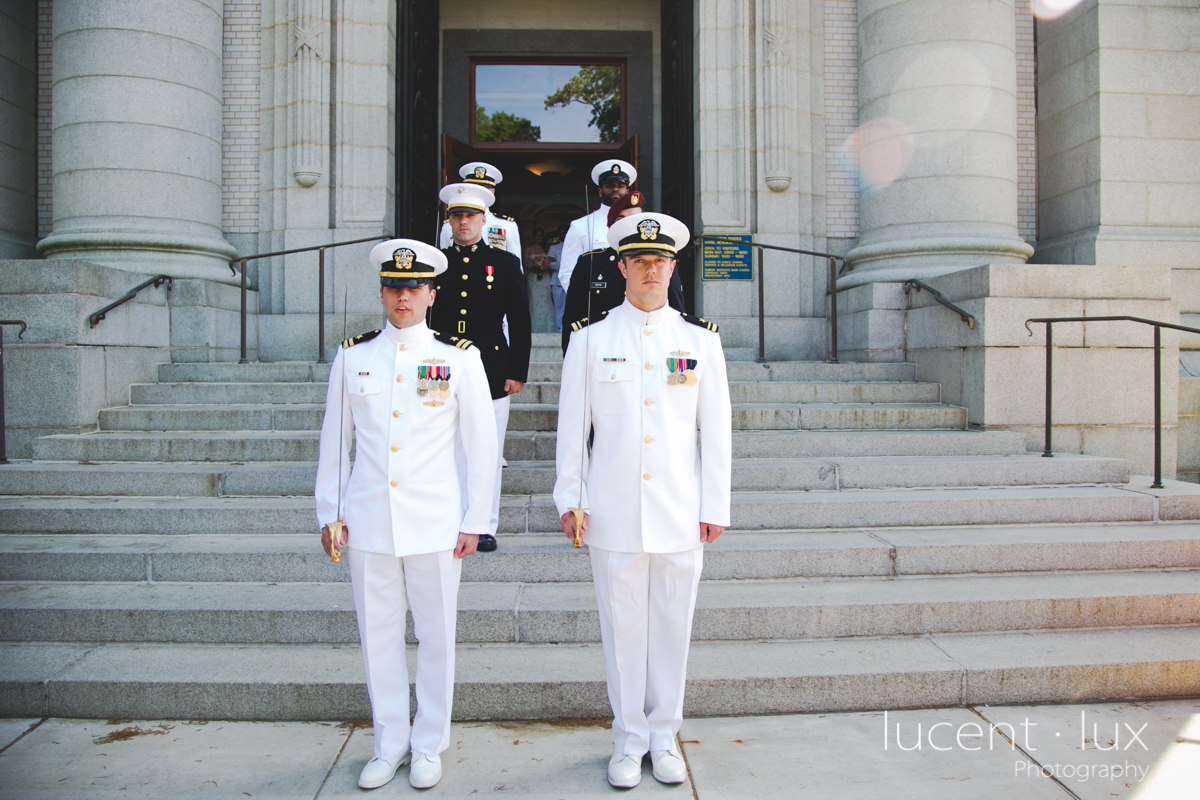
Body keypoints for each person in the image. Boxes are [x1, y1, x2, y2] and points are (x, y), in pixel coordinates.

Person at [554, 212, 732, 789]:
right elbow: (572, 430)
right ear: (622, 266)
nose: (650, 269)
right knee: (623, 630)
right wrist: (570, 498)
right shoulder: (590, 339)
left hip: (681, 512)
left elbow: (717, 431)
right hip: (611, 511)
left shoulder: (700, 341)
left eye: (660, 261)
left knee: (673, 627)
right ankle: (629, 739)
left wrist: (715, 506)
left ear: (673, 267)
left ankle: (664, 735)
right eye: (639, 260)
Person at [315, 238, 497, 790]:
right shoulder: (354, 356)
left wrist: (476, 520)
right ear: (382, 292)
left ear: (431, 294)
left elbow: (481, 445)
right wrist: (332, 511)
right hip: (369, 519)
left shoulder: (459, 357)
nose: (403, 296)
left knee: (437, 637)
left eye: (414, 287)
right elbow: (334, 442)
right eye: (394, 287)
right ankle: (389, 741)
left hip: (437, 521)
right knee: (379, 636)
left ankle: (428, 743)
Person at [430, 182, 532, 553]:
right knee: (443, 444)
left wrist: (517, 370)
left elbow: (520, 320)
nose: (463, 222)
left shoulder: (504, 264)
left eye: (469, 216)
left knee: (486, 447)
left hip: (491, 364)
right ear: (450, 221)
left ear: (483, 219)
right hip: (443, 363)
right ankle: (450, 518)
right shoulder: (435, 263)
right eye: (456, 216)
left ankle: (484, 524)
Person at [560, 190, 686, 353]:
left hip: (653, 352)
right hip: (603, 355)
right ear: (611, 226)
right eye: (623, 220)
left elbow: (676, 315)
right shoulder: (589, 263)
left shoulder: (661, 265)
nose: (631, 225)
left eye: (636, 219)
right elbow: (573, 320)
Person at [557, 158, 635, 293]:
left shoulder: (637, 224)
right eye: (610, 186)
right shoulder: (580, 226)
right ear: (600, 191)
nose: (615, 189)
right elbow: (567, 273)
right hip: (596, 303)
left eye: (620, 186)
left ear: (627, 191)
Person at [439, 162, 522, 271]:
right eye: (472, 188)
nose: (477, 192)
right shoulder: (448, 226)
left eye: (483, 189)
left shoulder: (507, 225)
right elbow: (444, 263)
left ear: (492, 192)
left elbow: (516, 267)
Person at [523, 227, 557, 332]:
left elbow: (553, 260)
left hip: (545, 277)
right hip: (534, 277)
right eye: (537, 235)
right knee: (534, 300)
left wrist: (545, 265)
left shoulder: (546, 249)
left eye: (541, 236)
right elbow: (524, 263)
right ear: (534, 237)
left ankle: (548, 327)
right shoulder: (528, 249)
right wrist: (534, 268)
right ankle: (534, 328)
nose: (539, 237)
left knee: (546, 300)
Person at [546, 223, 570, 332]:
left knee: (569, 304)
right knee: (558, 305)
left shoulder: (573, 246)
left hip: (571, 279)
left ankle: (567, 327)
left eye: (565, 233)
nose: (563, 235)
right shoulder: (554, 247)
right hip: (556, 280)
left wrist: (558, 263)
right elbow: (550, 264)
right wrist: (565, 264)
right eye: (561, 234)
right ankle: (559, 328)